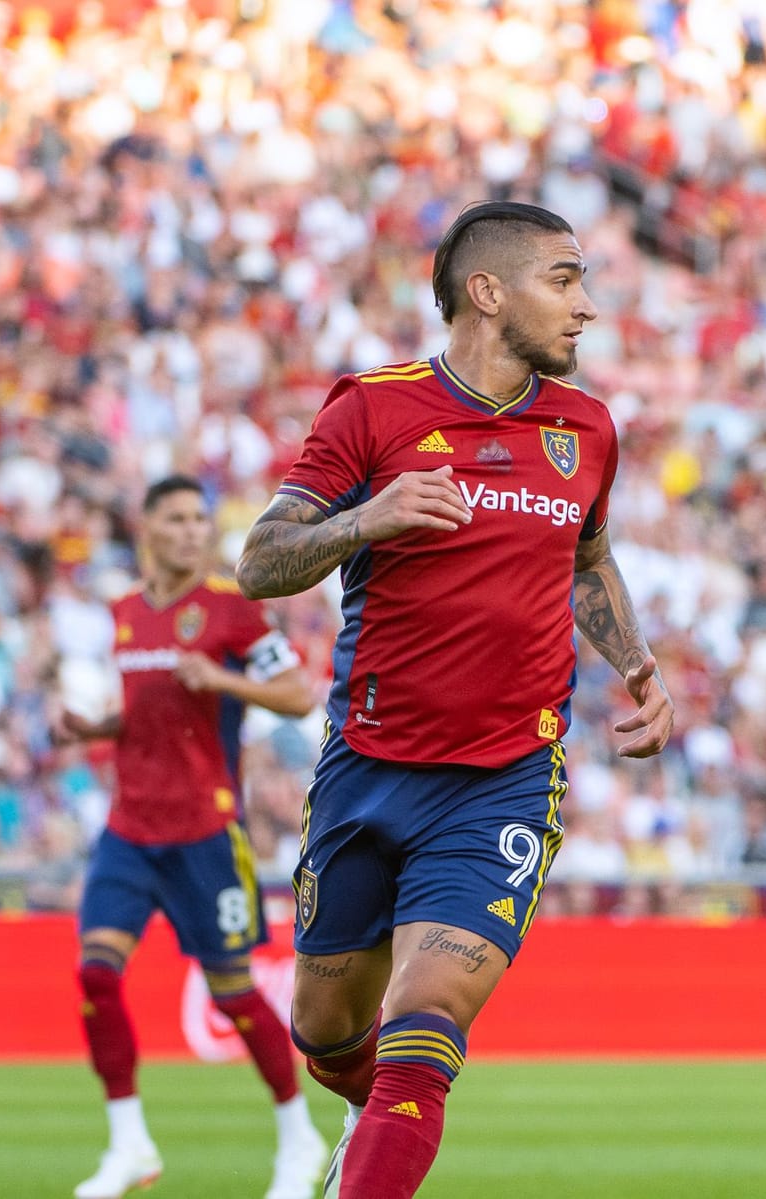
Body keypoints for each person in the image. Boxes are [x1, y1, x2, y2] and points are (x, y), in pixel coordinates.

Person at [235, 200, 674, 1199]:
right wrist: (370, 518)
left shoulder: (587, 428)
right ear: (488, 291)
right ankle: (365, 1115)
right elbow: (259, 560)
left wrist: (637, 666)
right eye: (564, 280)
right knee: (328, 1030)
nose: (588, 307)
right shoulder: (373, 409)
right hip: (368, 767)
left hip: (504, 780)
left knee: (426, 1013)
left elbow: (589, 559)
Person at [55, 476, 328, 1199]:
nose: (189, 530)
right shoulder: (122, 615)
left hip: (206, 832)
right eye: (175, 518)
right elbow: (143, 715)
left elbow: (300, 694)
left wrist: (222, 679)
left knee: (234, 991)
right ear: (146, 526)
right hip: (129, 827)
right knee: (95, 973)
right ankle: (128, 1142)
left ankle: (299, 1136)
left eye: (199, 519)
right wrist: (94, 728)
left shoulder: (233, 613)